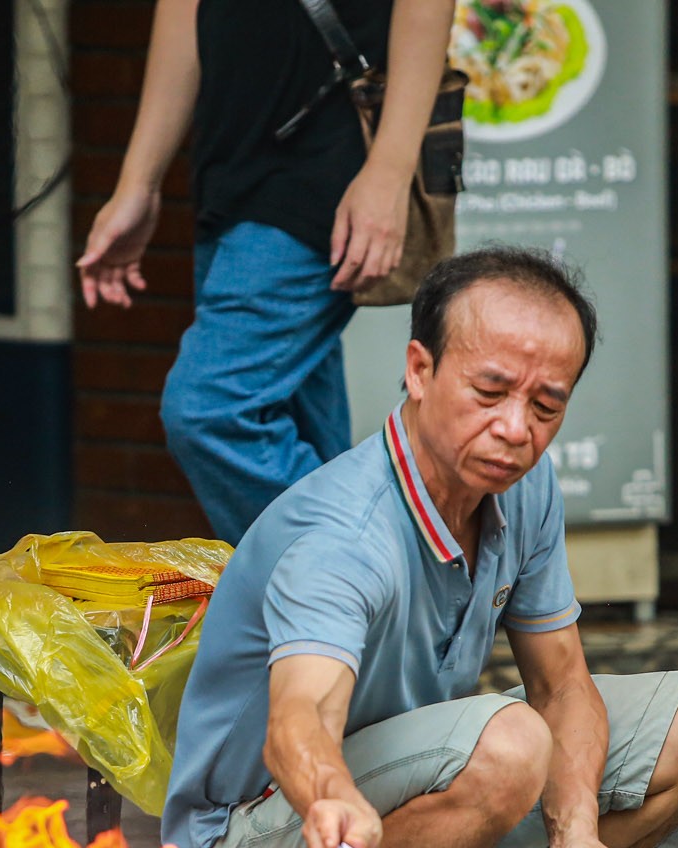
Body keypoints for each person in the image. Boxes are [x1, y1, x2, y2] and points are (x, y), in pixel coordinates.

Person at [161, 247, 678, 848]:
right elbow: (299, 715)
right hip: (254, 846)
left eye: (546, 405)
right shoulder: (345, 536)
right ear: (418, 369)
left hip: (410, 800)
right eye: (491, 390)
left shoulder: (523, 491)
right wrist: (330, 793)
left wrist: (577, 831)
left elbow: (563, 682)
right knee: (510, 745)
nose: (515, 429)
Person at [77, 0, 456, 544]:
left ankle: (376, 564)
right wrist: (139, 180)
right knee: (303, 430)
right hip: (230, 163)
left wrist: (390, 169)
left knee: (212, 410)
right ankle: (343, 620)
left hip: (328, 161)